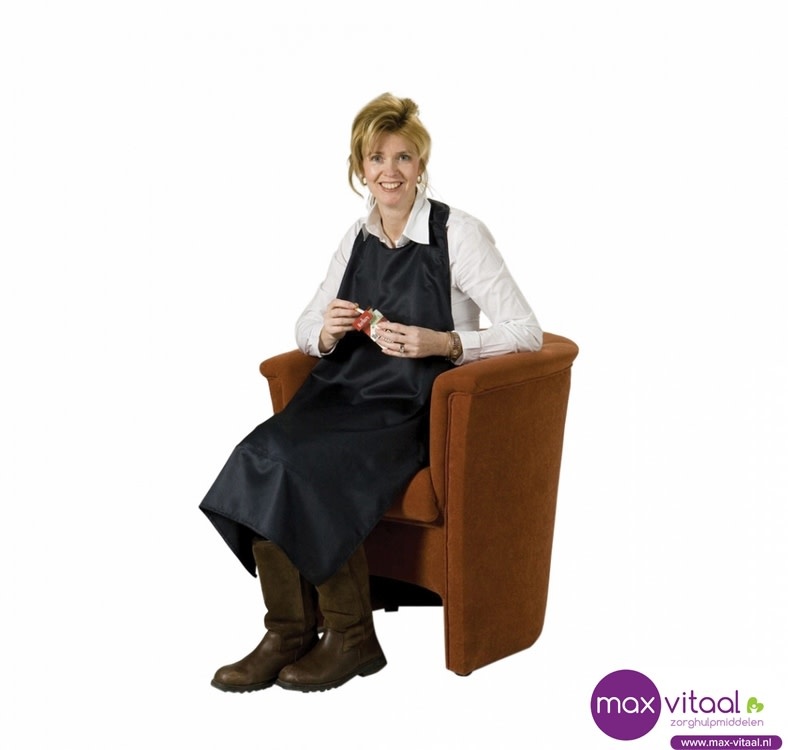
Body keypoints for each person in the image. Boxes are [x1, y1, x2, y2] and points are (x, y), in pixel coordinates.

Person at [199, 92, 542, 693]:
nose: (390, 171)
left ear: (421, 164)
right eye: (377, 157)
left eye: (403, 157)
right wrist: (326, 332)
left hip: (411, 408)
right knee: (259, 455)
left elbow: (527, 331)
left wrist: (445, 343)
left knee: (307, 467)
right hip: (342, 393)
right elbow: (305, 326)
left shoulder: (458, 234)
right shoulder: (355, 237)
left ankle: (352, 637)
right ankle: (288, 631)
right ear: (360, 167)